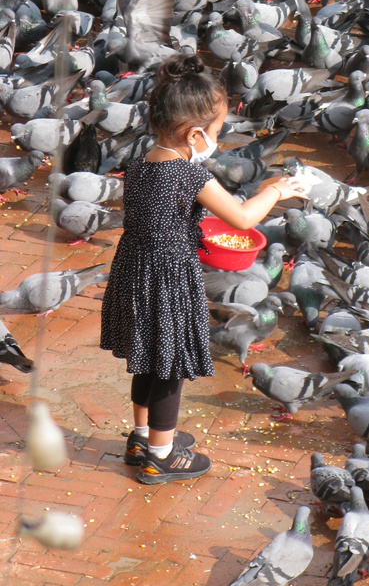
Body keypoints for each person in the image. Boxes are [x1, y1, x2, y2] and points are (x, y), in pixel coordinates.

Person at [100, 53, 307, 485]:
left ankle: (142, 438)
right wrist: (277, 189)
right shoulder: (189, 176)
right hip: (169, 278)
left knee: (146, 358)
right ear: (195, 134)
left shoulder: (142, 163)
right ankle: (162, 455)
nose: (216, 139)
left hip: (135, 270)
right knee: (169, 367)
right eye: (215, 132)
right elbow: (243, 219)